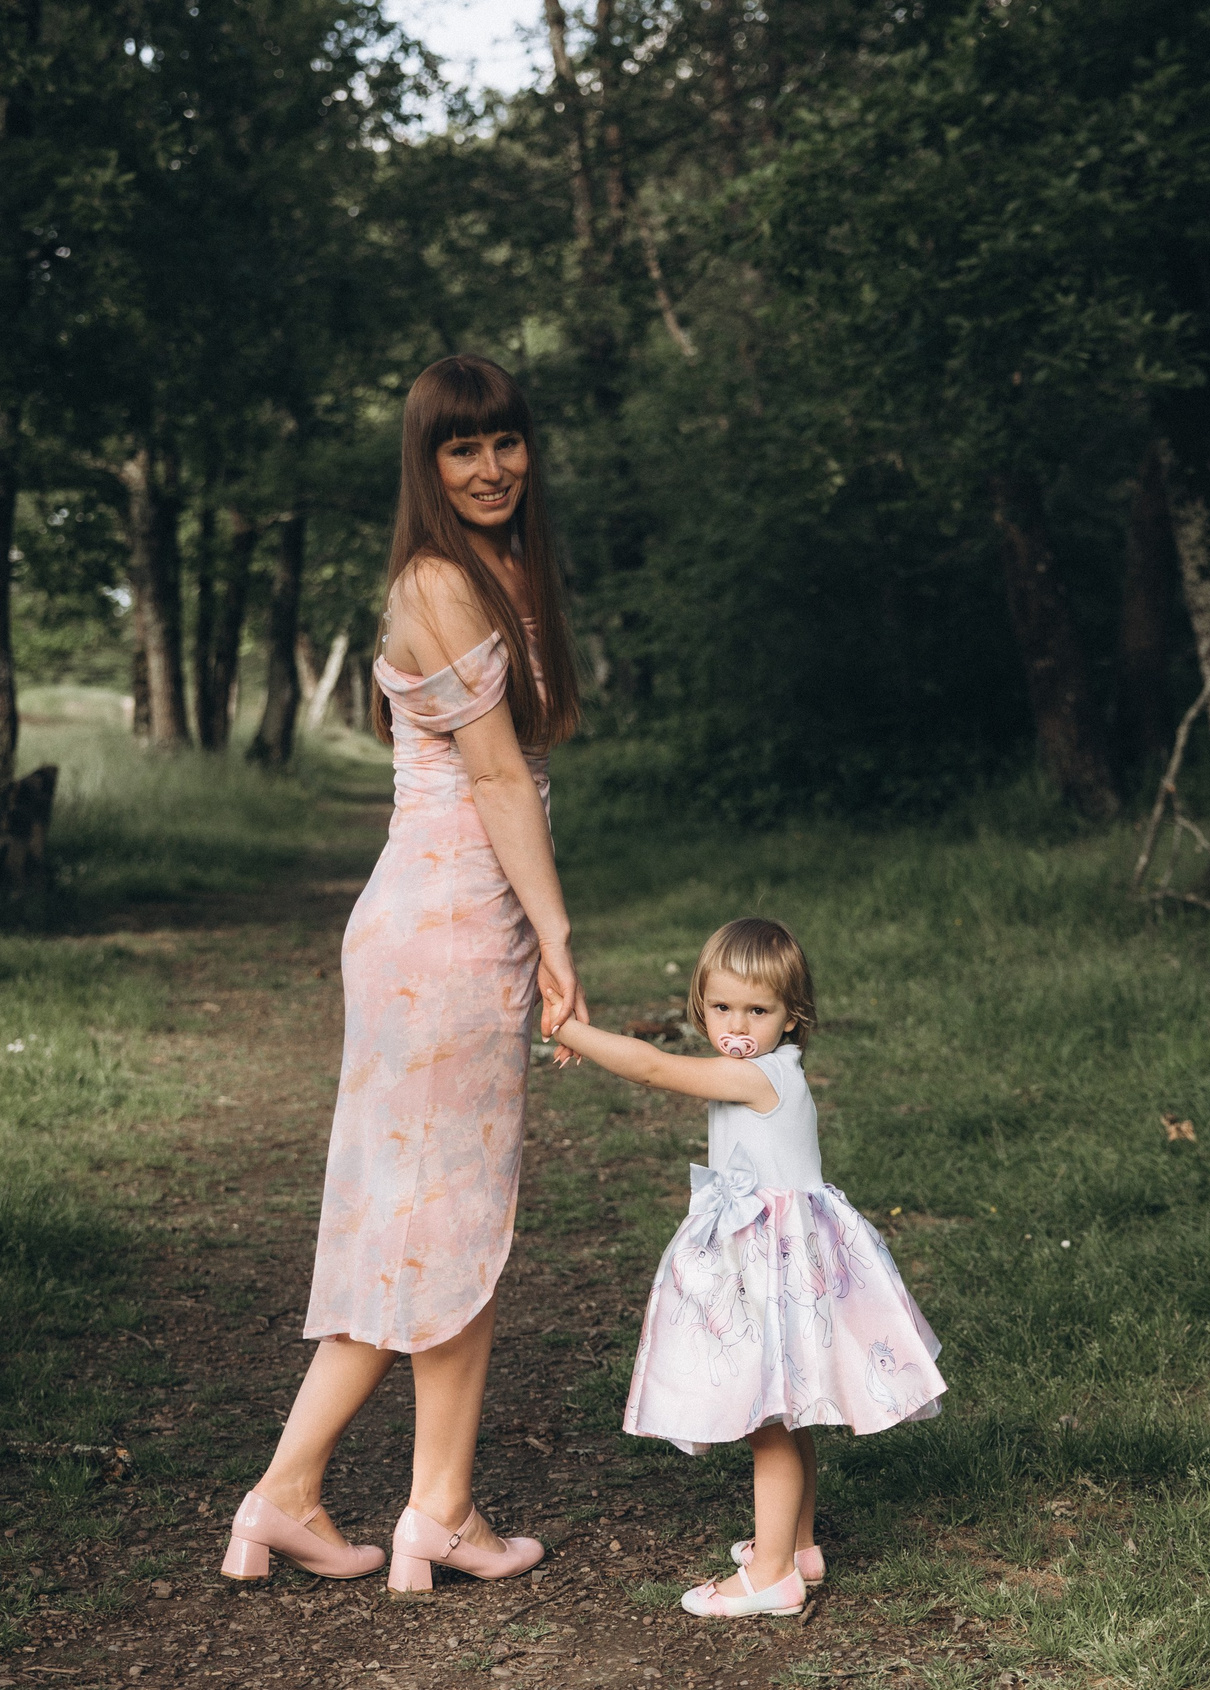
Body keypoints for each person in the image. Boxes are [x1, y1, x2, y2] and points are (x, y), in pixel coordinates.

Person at [220, 354, 587, 1595]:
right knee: (441, 1224)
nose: (491, 469)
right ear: (425, 468)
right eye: (460, 450)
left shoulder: (499, 572)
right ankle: (339, 1498)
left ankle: (390, 1504)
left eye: (506, 442)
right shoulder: (438, 582)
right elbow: (492, 779)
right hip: (444, 932)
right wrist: (555, 930)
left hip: (444, 924)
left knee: (435, 1227)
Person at [544, 918, 945, 1619]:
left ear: (792, 1016)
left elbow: (652, 1066)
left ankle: (772, 1575)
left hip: (772, 1264)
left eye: (758, 1011)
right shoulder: (771, 1068)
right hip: (780, 1256)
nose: (738, 1024)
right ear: (701, 1006)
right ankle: (798, 1543)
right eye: (722, 1007)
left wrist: (569, 1030)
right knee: (791, 1411)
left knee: (769, 1416)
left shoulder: (757, 1073)